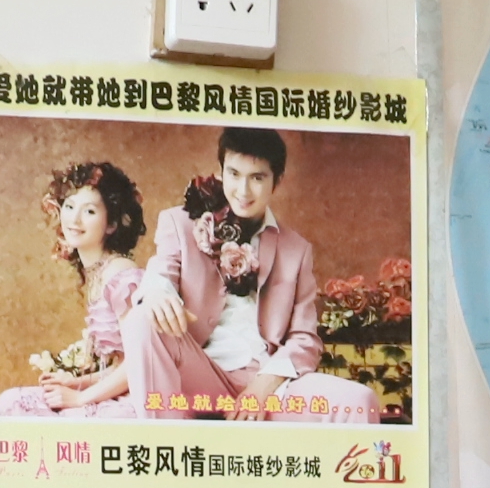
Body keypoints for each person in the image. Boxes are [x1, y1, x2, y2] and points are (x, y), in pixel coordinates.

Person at [123, 123, 381, 425]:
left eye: (257, 178)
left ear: (276, 181)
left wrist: (263, 385)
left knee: (359, 401)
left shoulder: (296, 250)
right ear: (221, 172)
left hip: (268, 382)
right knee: (141, 318)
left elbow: (304, 338)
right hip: (199, 373)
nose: (243, 191)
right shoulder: (181, 223)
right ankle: (167, 447)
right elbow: (161, 271)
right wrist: (157, 291)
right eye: (234, 174)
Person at [0, 158, 150, 417]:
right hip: (121, 391)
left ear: (111, 224)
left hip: (139, 401)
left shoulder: (120, 273)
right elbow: (122, 365)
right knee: (10, 402)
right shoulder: (98, 271)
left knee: (39, 412)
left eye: (89, 211)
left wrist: (80, 397)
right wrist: (77, 382)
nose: (74, 219)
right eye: (70, 206)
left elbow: (142, 361)